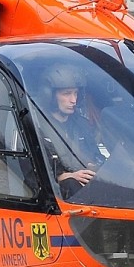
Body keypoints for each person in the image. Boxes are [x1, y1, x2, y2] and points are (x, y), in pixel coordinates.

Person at [39, 64, 104, 198]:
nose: (73, 100)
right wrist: (64, 176)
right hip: (56, 195)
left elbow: (95, 154)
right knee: (70, 184)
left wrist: (93, 165)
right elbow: (31, 172)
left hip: (86, 185)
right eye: (67, 94)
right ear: (49, 95)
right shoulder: (37, 126)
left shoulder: (82, 124)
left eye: (75, 93)